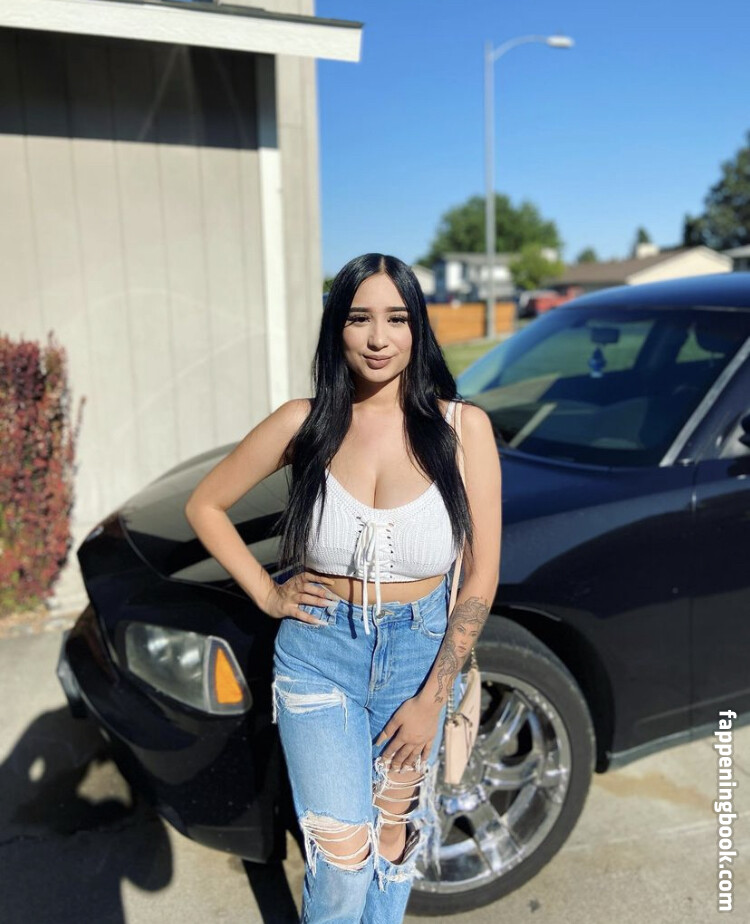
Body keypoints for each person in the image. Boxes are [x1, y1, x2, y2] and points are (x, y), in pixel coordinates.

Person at [185, 253, 502, 923]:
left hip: (419, 657)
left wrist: (432, 699)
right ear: (337, 329)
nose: (379, 338)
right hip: (319, 655)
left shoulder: (462, 429)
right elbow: (205, 505)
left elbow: (480, 576)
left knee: (393, 848)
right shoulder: (304, 421)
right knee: (342, 864)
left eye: (397, 318)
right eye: (360, 319)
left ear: (418, 328)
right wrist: (268, 594)